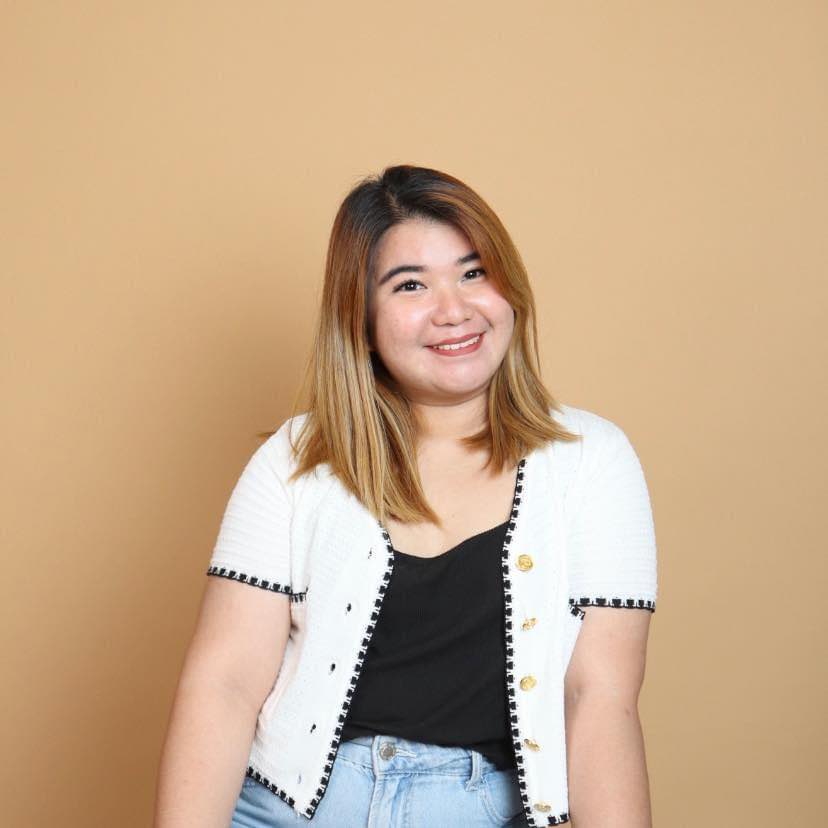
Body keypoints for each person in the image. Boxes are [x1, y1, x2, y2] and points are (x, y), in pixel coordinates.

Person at [153, 165, 659, 828]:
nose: (454, 309)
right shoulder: (296, 458)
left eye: (474, 273)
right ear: (361, 319)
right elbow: (225, 684)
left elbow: (600, 699)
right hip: (286, 811)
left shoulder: (593, 462)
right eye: (410, 284)